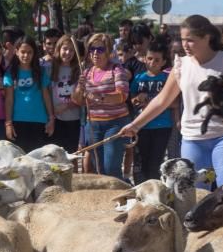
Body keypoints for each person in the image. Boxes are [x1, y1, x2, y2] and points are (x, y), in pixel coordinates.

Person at [120, 15, 223, 187]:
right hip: (191, 139)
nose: (185, 45)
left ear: (207, 38)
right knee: (194, 195)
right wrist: (135, 125)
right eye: (182, 40)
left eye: (191, 40)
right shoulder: (181, 65)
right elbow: (162, 100)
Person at [72, 33, 130, 180]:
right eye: (92, 49)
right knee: (99, 167)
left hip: (115, 124)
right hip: (93, 125)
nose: (95, 53)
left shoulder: (116, 70)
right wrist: (80, 87)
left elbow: (122, 96)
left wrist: (100, 97)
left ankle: (120, 195)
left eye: (100, 49)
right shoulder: (86, 72)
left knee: (111, 168)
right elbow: (78, 101)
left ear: (109, 51)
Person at [129, 40, 175, 181]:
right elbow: (131, 99)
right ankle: (141, 191)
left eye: (157, 60)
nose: (152, 62)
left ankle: (154, 191)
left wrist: (150, 100)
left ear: (163, 62)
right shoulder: (138, 78)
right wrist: (137, 99)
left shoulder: (168, 78)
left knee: (156, 162)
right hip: (141, 126)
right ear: (144, 59)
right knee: (140, 162)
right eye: (149, 58)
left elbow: (174, 102)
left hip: (162, 126)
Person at [3, 36, 53, 152]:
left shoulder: (40, 72)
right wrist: (8, 123)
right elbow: (9, 100)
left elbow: (46, 96)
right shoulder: (11, 72)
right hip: (17, 122)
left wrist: (51, 118)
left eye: (29, 52)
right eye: (23, 52)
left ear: (34, 53)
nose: (26, 55)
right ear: (16, 52)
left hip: (39, 121)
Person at [48, 35, 84, 153]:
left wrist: (66, 106)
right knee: (56, 154)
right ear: (58, 49)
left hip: (73, 118)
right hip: (55, 119)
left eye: (71, 50)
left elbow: (81, 97)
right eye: (65, 49)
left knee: (71, 153)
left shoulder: (79, 69)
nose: (68, 53)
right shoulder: (50, 68)